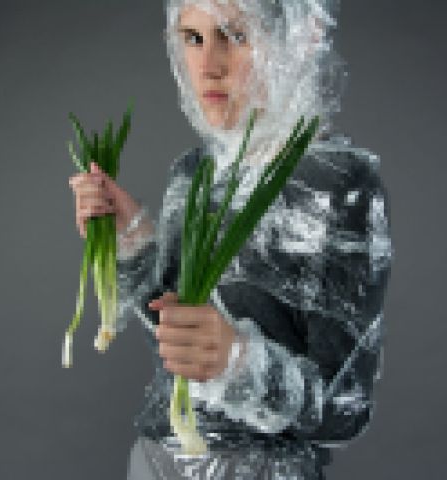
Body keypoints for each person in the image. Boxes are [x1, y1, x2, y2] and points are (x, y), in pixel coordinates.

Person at [68, 0, 393, 478]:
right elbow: (179, 344)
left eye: (236, 36)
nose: (207, 66)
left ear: (297, 38)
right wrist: (135, 242)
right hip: (156, 462)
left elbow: (346, 409)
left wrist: (241, 362)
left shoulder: (337, 184)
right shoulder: (195, 173)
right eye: (193, 38)